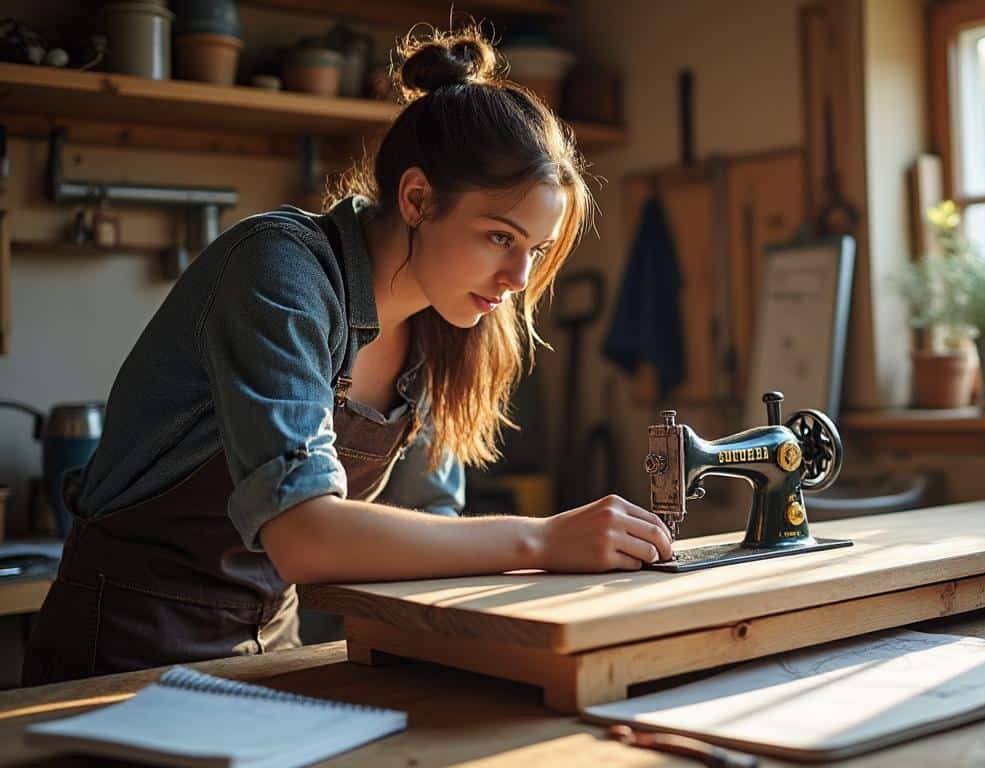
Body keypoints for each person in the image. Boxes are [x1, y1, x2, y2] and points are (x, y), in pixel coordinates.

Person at [23, 26, 672, 686]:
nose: (516, 279)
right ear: (417, 198)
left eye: (533, 250)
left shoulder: (451, 325)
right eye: (499, 236)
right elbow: (302, 535)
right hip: (122, 644)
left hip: (274, 640)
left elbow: (430, 525)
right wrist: (539, 541)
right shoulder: (279, 268)